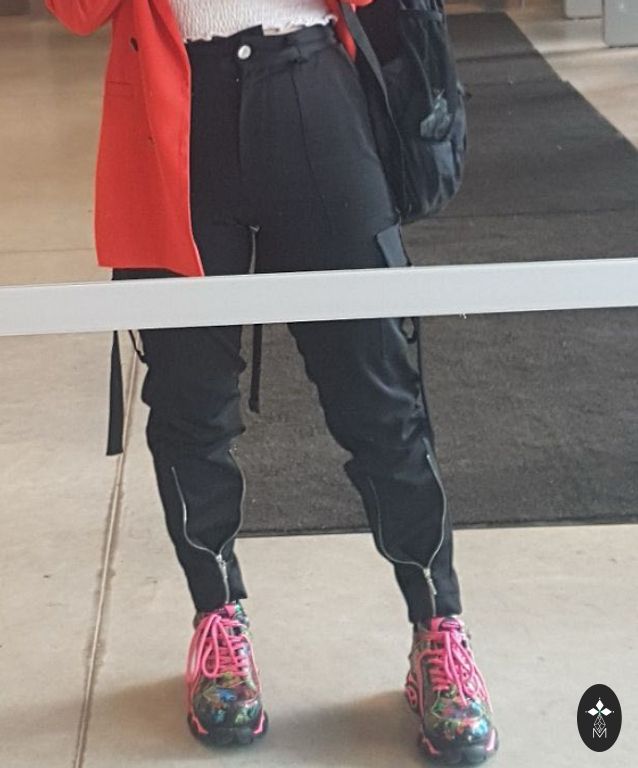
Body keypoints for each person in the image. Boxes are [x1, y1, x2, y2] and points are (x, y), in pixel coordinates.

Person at [44, 0, 498, 763]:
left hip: (311, 90)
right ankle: (217, 619)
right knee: (189, 400)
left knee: (378, 392)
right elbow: (76, 12)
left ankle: (438, 628)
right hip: (174, 106)